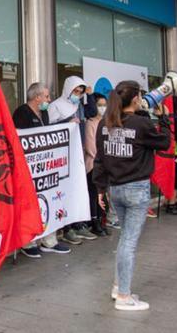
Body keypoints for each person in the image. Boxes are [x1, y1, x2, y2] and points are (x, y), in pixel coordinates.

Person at [94, 80, 171, 311]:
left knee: (124, 240)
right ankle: (125, 297)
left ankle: (119, 286)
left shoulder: (105, 124)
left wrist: (100, 189)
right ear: (136, 98)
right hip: (136, 189)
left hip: (115, 189)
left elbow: (100, 159)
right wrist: (164, 119)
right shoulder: (141, 123)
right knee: (129, 242)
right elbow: (164, 142)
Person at [12, 82, 71, 257]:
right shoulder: (21, 113)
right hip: (28, 169)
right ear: (37, 97)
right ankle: (27, 241)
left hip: (44, 168)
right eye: (46, 96)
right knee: (29, 205)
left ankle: (49, 240)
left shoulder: (44, 112)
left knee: (49, 201)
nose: (49, 100)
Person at [48, 76, 98, 244]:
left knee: (79, 189)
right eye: (75, 91)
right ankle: (67, 228)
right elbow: (50, 128)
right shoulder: (56, 105)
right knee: (65, 191)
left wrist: (90, 96)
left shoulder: (78, 106)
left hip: (79, 153)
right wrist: (67, 122)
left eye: (80, 92)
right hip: (63, 155)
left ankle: (79, 224)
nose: (77, 94)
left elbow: (92, 112)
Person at [84, 94, 111, 236]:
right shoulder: (90, 123)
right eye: (100, 105)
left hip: (106, 165)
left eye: (104, 105)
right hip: (94, 165)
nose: (103, 108)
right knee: (94, 194)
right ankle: (94, 222)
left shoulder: (108, 122)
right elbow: (90, 147)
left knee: (103, 194)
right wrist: (102, 160)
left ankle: (102, 220)